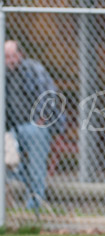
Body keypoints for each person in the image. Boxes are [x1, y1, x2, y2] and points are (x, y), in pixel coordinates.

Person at [5, 40, 64, 210]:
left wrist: (41, 118)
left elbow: (49, 95)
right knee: (10, 162)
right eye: (6, 57)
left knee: (36, 158)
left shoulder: (33, 69)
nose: (10, 60)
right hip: (11, 128)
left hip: (34, 124)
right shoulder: (3, 73)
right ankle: (26, 184)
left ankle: (34, 205)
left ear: (20, 55)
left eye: (13, 55)